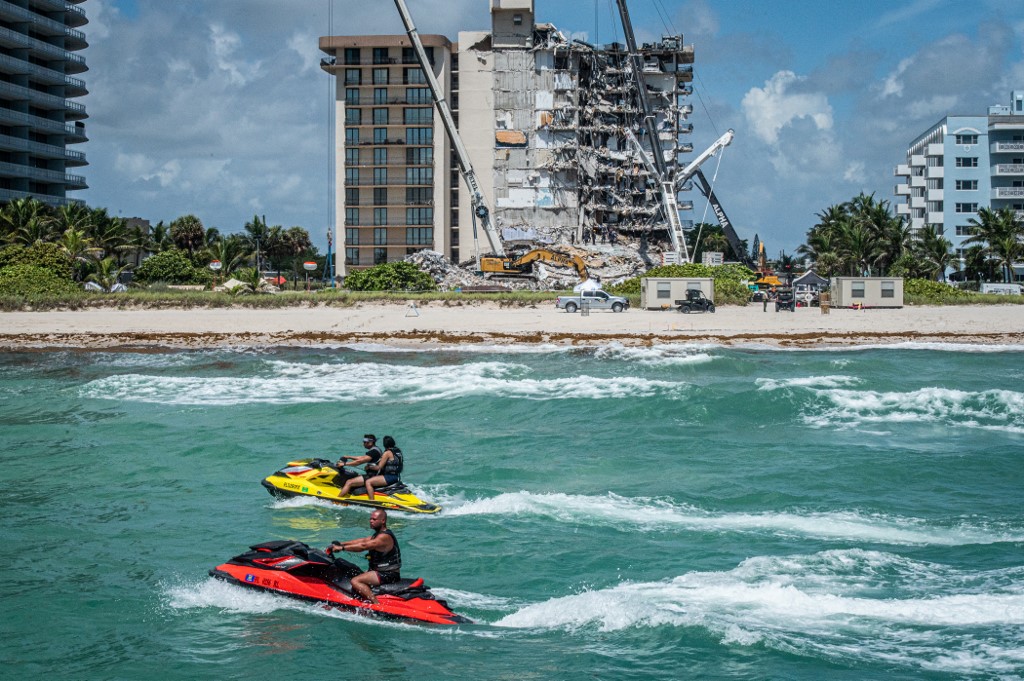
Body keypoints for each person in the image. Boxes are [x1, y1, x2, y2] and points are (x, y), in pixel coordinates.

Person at [326, 509, 401, 604]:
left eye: (374, 519)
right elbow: (363, 541)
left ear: (383, 521)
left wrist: (342, 548)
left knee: (355, 581)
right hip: (379, 571)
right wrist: (340, 543)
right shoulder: (378, 535)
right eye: (370, 519)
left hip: (388, 574)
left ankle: (376, 604)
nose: (371, 521)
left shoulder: (384, 537)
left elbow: (364, 546)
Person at [364, 435, 403, 500]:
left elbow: (379, 467)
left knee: (368, 482)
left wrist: (369, 467)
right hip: (397, 476)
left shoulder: (387, 453)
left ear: (385, 444)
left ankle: (372, 501)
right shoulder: (398, 451)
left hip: (389, 477)